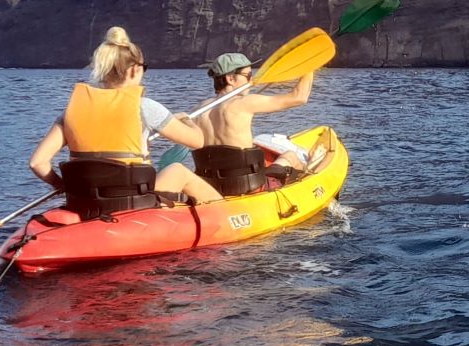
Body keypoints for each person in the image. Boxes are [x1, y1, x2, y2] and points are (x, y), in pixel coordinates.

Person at [28, 27, 219, 211]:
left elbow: (38, 163)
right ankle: (229, 216)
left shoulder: (71, 112)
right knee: (178, 170)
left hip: (85, 201)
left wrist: (61, 185)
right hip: (134, 200)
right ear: (134, 70)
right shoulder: (145, 106)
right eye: (144, 67)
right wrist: (186, 120)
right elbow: (197, 141)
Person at [190, 52, 317, 195]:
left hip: (213, 188)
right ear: (230, 78)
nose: (252, 80)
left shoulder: (198, 110)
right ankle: (308, 188)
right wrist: (310, 65)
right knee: (290, 156)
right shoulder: (244, 102)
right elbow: (299, 97)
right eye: (248, 76)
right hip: (250, 187)